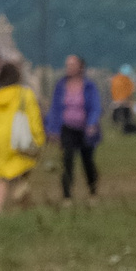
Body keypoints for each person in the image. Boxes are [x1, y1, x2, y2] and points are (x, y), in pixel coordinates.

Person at [0, 58, 45, 216]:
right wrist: (38, 138)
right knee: (22, 172)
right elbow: (34, 117)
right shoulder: (24, 93)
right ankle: (21, 201)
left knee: (2, 177)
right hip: (19, 139)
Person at [50, 54, 106, 204]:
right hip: (67, 128)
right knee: (67, 160)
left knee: (87, 161)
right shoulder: (61, 86)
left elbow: (95, 106)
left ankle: (92, 191)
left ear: (80, 67)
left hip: (86, 129)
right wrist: (53, 130)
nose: (69, 68)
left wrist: (92, 123)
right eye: (67, 65)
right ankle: (67, 195)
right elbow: (55, 108)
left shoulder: (89, 86)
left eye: (72, 65)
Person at [111, 64, 136, 135]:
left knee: (117, 116)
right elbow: (130, 92)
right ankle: (126, 128)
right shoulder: (126, 80)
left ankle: (119, 126)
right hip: (124, 101)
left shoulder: (115, 79)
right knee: (126, 116)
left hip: (117, 101)